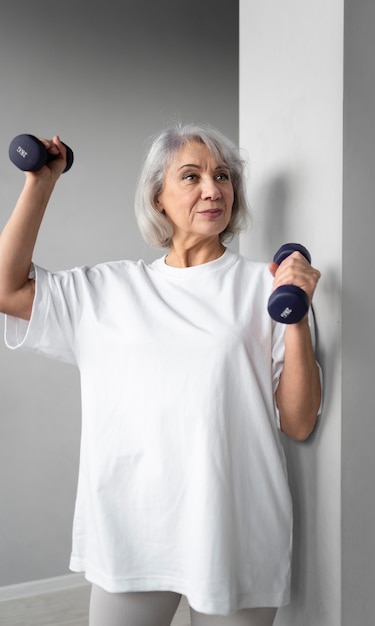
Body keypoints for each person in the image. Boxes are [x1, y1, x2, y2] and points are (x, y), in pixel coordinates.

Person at [0, 123, 321, 626]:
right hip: (132, 532)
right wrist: (40, 183)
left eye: (222, 176)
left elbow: (299, 422)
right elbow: (6, 289)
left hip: (232, 532)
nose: (212, 189)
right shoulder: (107, 290)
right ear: (158, 199)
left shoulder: (267, 287)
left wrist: (296, 314)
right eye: (191, 177)